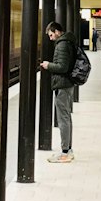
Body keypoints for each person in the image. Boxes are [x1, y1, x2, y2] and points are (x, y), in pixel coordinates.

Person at [39, 20, 76, 162]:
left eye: (51, 35)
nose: (50, 38)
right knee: (66, 117)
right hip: (66, 84)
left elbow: (62, 67)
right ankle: (68, 149)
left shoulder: (62, 45)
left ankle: (65, 152)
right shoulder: (68, 42)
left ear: (57, 32)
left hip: (62, 85)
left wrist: (49, 65)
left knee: (63, 118)